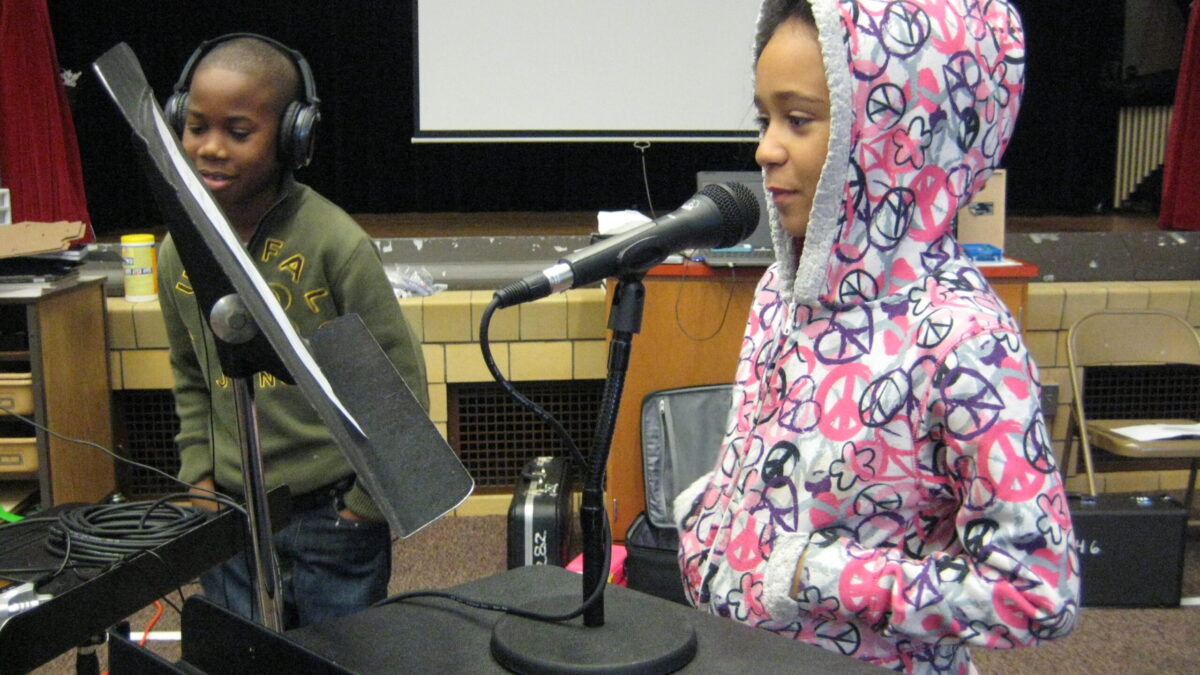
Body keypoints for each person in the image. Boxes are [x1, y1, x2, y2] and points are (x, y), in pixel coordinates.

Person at [673, 1, 1079, 672]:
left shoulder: (965, 340)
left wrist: (822, 573)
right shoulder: (783, 291)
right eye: (763, 117)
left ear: (894, 133)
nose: (766, 148)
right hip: (742, 656)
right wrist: (712, 514)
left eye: (798, 120)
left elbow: (1038, 590)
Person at [156, 34, 428, 628]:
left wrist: (362, 509)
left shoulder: (336, 246)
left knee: (342, 658)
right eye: (196, 126)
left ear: (292, 136)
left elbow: (395, 388)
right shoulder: (179, 252)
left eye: (237, 130)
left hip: (331, 517)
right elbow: (189, 376)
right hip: (230, 512)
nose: (209, 148)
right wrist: (198, 475)